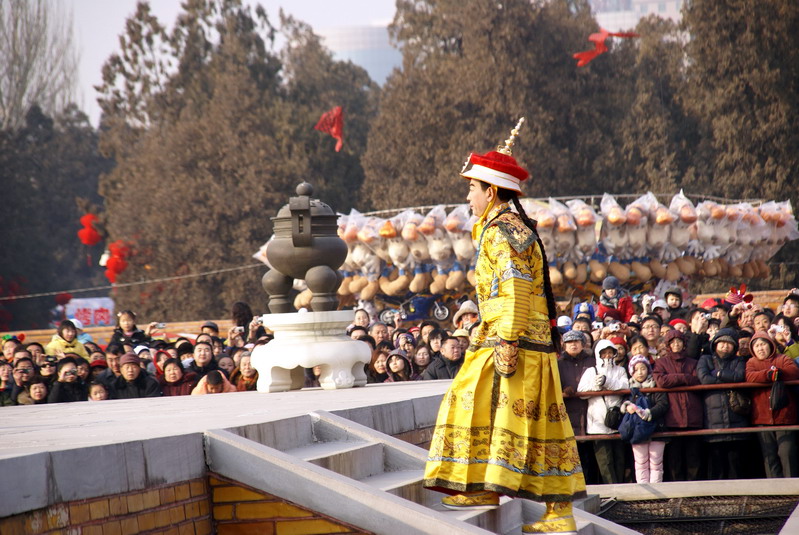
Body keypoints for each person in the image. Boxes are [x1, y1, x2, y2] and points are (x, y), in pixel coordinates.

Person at [423, 127, 585, 534]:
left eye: (472, 189)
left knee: (531, 419)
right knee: (475, 402)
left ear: (491, 192)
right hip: (500, 335)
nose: (468, 197)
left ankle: (559, 512)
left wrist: (509, 339)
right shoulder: (500, 228)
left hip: (515, 340)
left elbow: (515, 288)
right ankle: (482, 484)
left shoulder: (502, 232)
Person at [696, 328, 749, 479]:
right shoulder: (705, 359)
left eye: (729, 344)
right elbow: (704, 378)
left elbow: (739, 377)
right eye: (722, 343)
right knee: (716, 464)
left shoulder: (738, 361)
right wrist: (727, 379)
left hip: (736, 419)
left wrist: (718, 374)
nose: (725, 346)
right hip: (713, 420)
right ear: (715, 345)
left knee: (736, 464)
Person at [745, 331, 799, 477]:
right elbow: (750, 376)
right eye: (756, 345)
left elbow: (794, 371)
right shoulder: (751, 362)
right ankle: (773, 490)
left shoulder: (782, 358)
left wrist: (779, 373)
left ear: (770, 345)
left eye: (763, 344)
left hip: (785, 415)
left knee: (787, 452)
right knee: (769, 455)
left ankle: (792, 488)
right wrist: (768, 375)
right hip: (762, 416)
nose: (760, 348)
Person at [652, 329, 703, 481]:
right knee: (674, 459)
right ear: (668, 345)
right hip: (672, 417)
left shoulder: (693, 362)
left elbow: (698, 380)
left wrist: (674, 379)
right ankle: (677, 490)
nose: (676, 345)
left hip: (693, 416)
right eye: (672, 342)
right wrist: (683, 378)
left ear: (684, 344)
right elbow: (661, 381)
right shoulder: (661, 363)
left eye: (679, 341)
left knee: (694, 457)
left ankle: (694, 491)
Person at [577, 340, 628, 484]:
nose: (607, 355)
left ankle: (622, 490)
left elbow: (624, 386)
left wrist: (607, 382)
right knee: (605, 462)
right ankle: (612, 491)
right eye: (604, 353)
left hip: (617, 420)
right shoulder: (590, 371)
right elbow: (581, 393)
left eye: (610, 352)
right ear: (598, 354)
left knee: (620, 459)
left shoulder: (620, 370)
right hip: (597, 424)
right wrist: (595, 386)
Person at [557, 330, 597, 484]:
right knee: (571, 453)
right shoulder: (559, 363)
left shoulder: (592, 361)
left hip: (590, 411)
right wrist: (564, 391)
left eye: (576, 341)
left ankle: (593, 485)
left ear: (582, 343)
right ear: (564, 345)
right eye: (569, 342)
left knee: (590, 454)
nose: (573, 344)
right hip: (568, 413)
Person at [621, 355, 668, 483]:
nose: (640, 372)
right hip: (637, 431)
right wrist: (627, 406)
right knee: (640, 462)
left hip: (657, 428)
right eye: (636, 370)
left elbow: (663, 404)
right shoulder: (628, 388)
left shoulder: (656, 384)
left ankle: (657, 492)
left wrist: (649, 412)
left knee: (656, 462)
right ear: (631, 372)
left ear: (648, 369)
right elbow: (622, 403)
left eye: (643, 368)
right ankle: (644, 491)